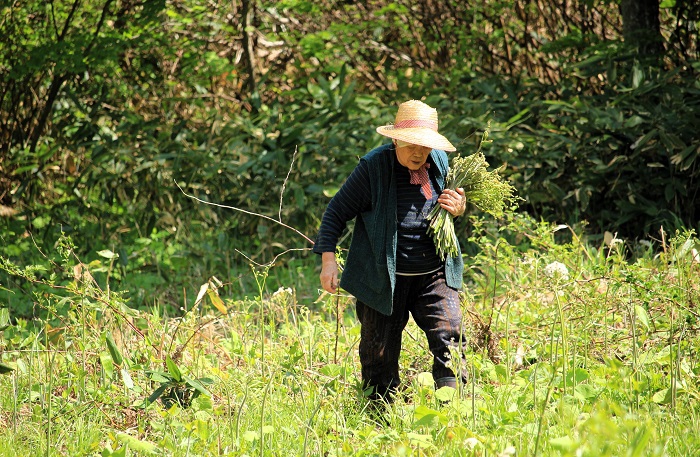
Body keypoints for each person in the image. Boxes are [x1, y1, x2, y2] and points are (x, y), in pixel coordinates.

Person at [313, 99, 470, 404]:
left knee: (449, 336)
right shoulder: (373, 168)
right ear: (395, 138)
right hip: (384, 279)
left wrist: (459, 207)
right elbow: (335, 212)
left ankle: (452, 412)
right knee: (379, 352)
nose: (418, 152)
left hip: (433, 274)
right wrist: (328, 261)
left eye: (424, 145)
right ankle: (378, 417)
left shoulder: (439, 163)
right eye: (411, 144)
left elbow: (454, 205)